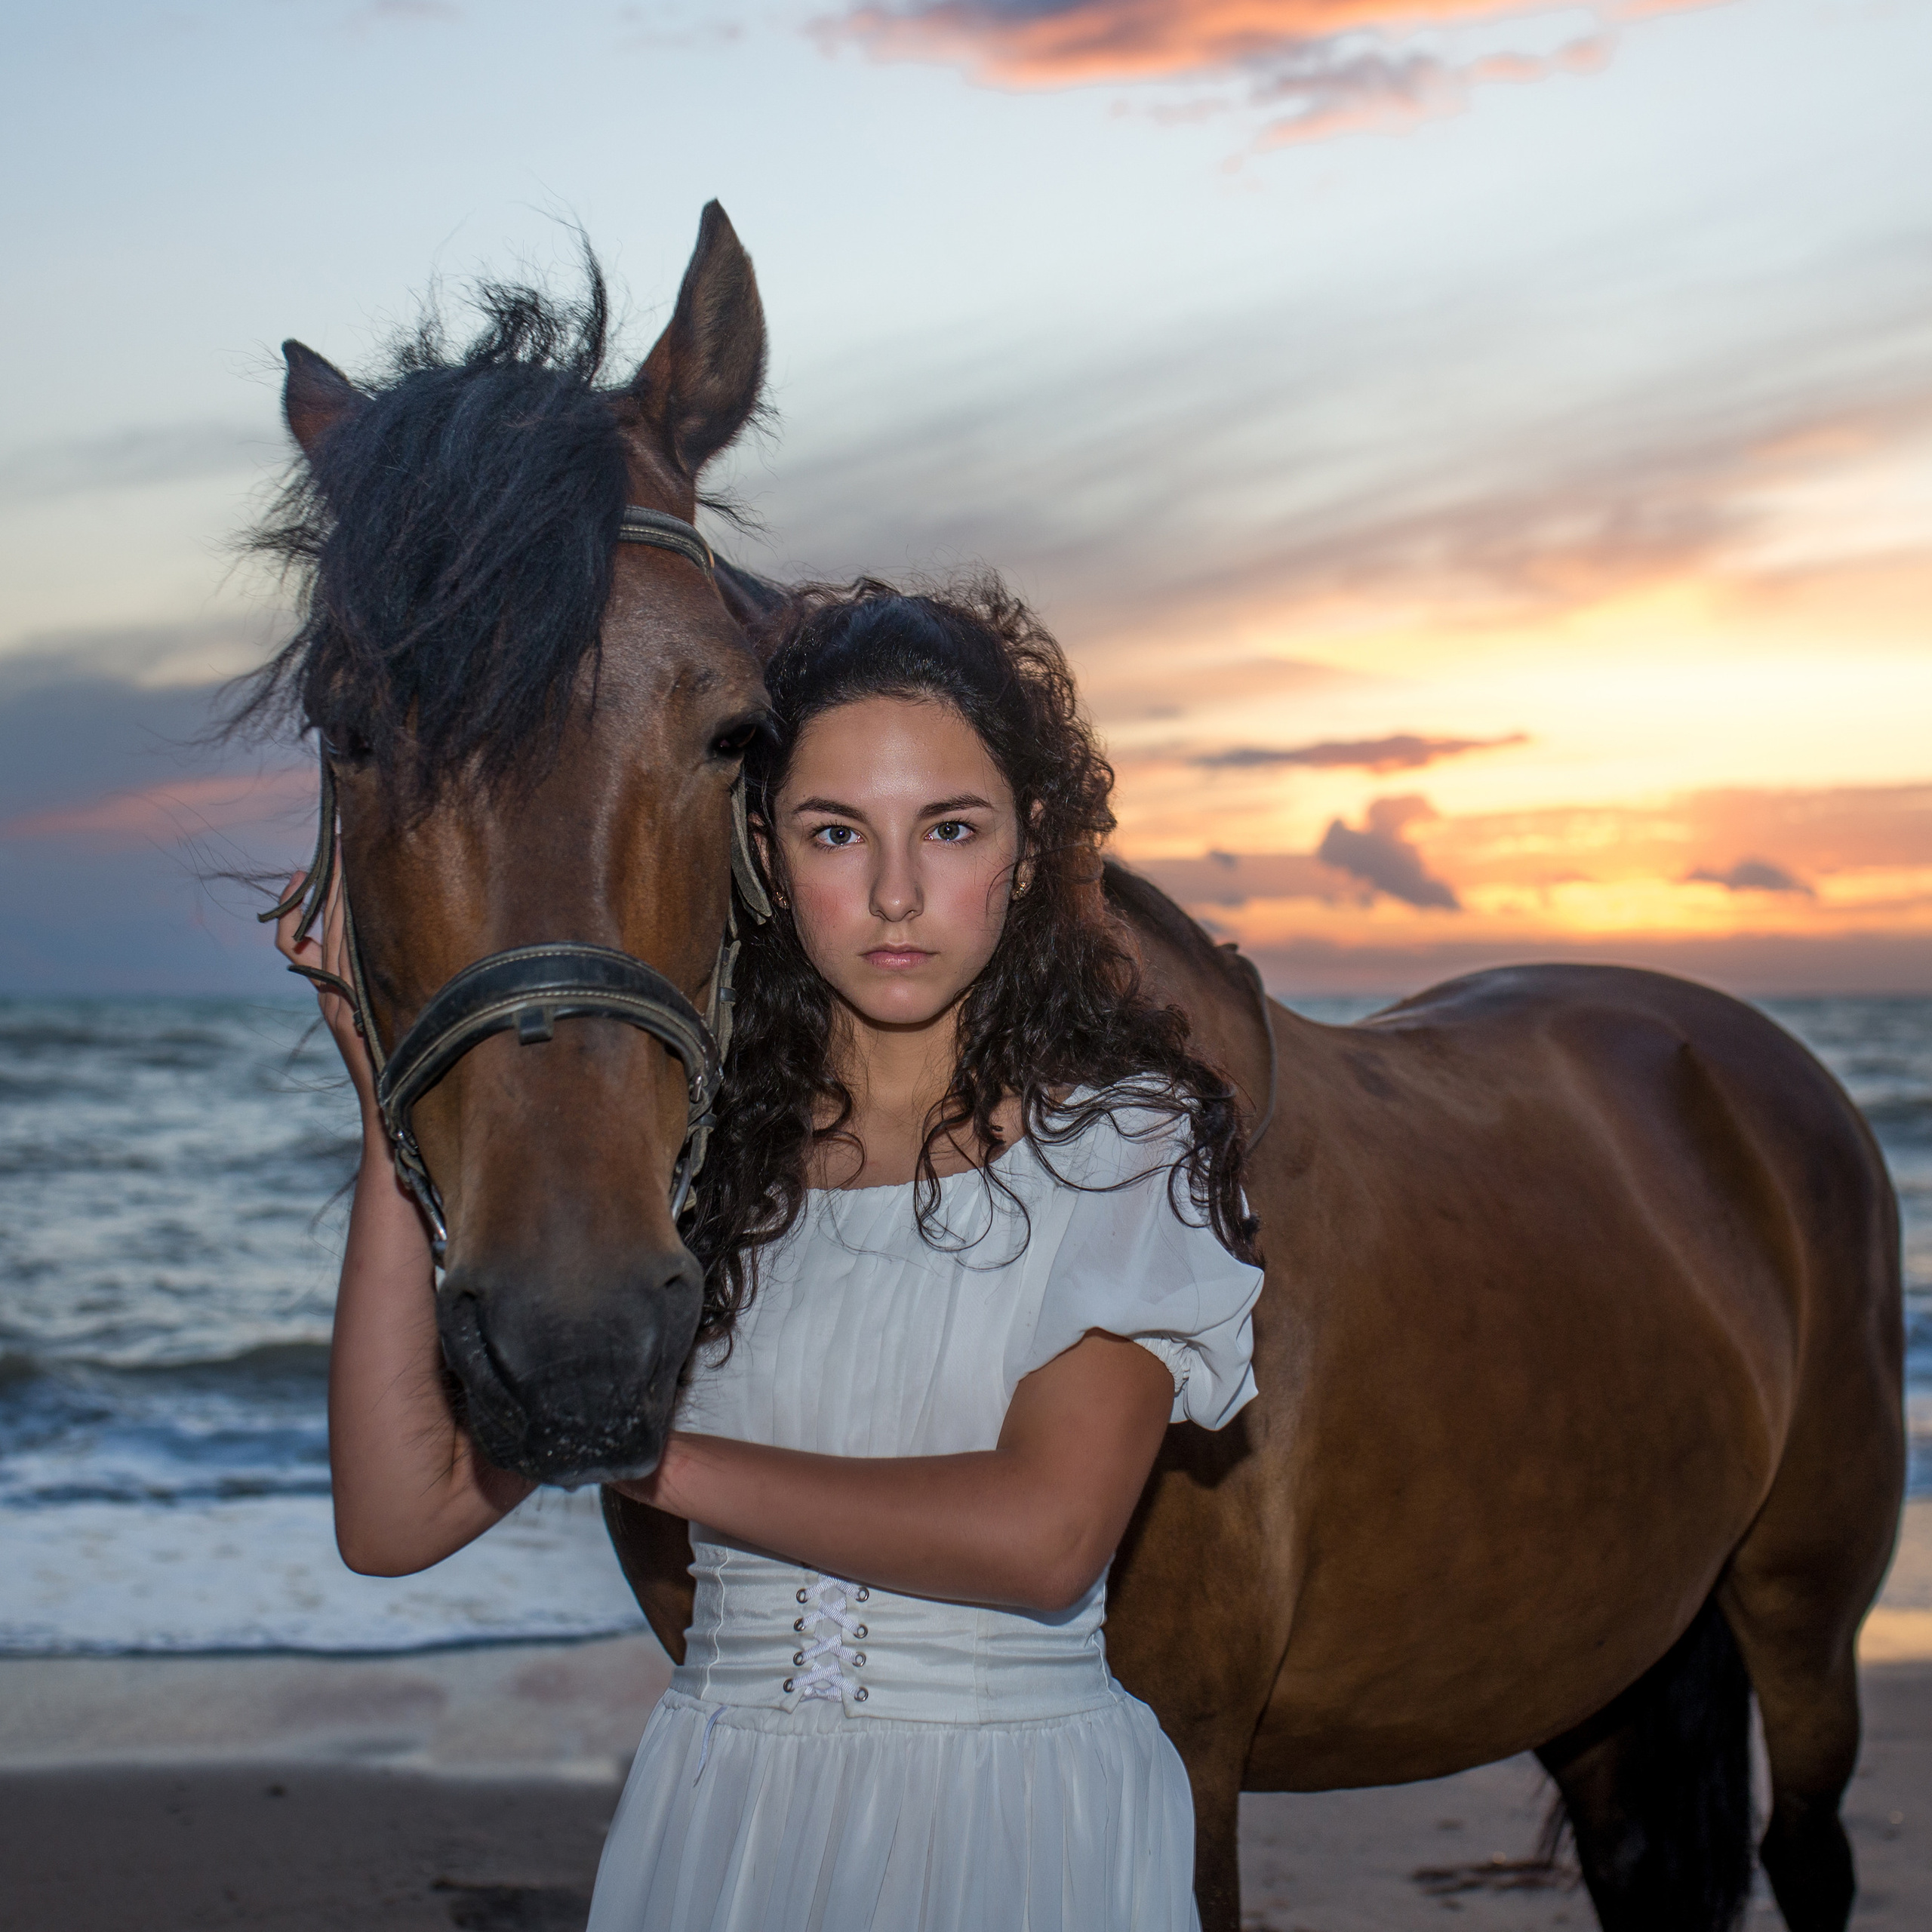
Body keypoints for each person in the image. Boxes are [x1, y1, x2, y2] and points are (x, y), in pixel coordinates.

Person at [282, 575, 1264, 1931]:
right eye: (836, 832)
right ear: (759, 849)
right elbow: (397, 1520)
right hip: (723, 1833)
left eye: (952, 829)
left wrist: (639, 1452)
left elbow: (1047, 1537)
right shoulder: (701, 1174)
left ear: (1029, 850)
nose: (898, 893)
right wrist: (385, 1095)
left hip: (1021, 1828)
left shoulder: (1125, 1142)